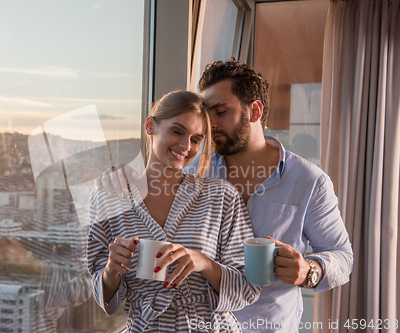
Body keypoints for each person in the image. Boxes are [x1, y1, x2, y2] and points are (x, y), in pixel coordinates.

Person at [96, 59, 354, 333]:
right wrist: (119, 176)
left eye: (220, 112)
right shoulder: (194, 169)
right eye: (207, 115)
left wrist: (309, 271)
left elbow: (342, 256)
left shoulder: (309, 181)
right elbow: (152, 187)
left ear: (254, 111)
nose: (210, 125)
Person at [88, 90, 261, 332]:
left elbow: (248, 287)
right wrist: (111, 270)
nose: (185, 146)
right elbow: (100, 292)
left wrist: (203, 262)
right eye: (177, 131)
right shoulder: (108, 197)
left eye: (196, 139)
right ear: (150, 126)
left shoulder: (221, 197)